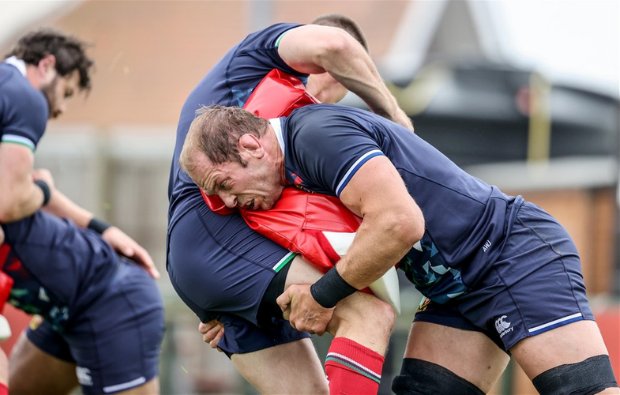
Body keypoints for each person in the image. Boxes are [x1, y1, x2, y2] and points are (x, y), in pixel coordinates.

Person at [180, 103, 620, 395]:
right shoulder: (284, 178)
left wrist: (320, 297)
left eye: (223, 185)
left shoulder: (316, 136)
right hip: (459, 292)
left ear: (250, 145)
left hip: (511, 253)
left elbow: (400, 223)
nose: (229, 203)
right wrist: (236, 315)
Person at [167, 14, 411, 394]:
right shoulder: (257, 57)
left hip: (222, 259)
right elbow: (337, 45)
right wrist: (394, 116)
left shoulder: (296, 130)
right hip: (216, 245)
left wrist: (224, 299)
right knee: (368, 315)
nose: (326, 102)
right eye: (339, 81)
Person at [0, 29, 164, 395]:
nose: (58, 110)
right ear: (47, 65)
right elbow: (14, 198)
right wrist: (40, 189)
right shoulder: (24, 96)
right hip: (74, 302)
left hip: (109, 296)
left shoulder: (12, 94)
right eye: (66, 93)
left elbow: (14, 196)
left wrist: (99, 226)